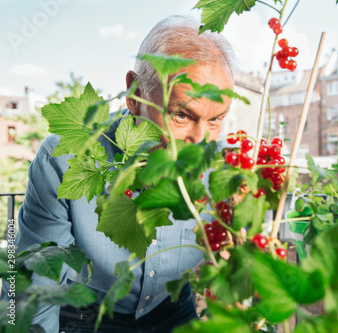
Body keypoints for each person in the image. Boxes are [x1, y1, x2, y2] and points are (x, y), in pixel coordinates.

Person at [5, 15, 236, 332]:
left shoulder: (227, 170)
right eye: (182, 115)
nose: (200, 142)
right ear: (136, 94)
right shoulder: (66, 160)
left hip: (173, 314)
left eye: (215, 120)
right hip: (86, 319)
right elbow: (33, 292)